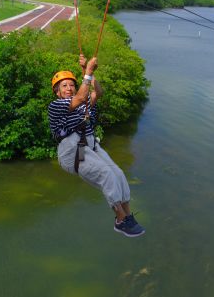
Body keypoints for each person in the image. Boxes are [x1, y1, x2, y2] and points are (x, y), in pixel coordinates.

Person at [48, 55, 145, 237]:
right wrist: (88, 72)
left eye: (71, 85)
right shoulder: (56, 106)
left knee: (118, 173)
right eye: (64, 86)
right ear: (57, 92)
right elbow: (81, 97)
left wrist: (88, 72)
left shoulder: (83, 104)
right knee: (106, 174)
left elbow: (97, 92)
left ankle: (128, 215)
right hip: (72, 152)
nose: (69, 88)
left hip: (87, 146)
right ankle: (120, 219)